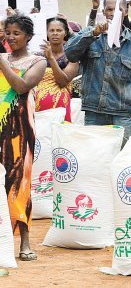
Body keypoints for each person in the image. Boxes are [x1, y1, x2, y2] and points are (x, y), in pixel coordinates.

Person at [65, 0, 131, 143]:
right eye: (109, 9)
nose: (113, 13)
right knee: (95, 159)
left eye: (118, 9)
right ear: (103, 12)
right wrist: (93, 33)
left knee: (120, 160)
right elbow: (70, 54)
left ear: (126, 11)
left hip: (122, 115)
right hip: (94, 113)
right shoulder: (91, 34)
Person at [0, 15, 46, 261]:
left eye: (16, 33)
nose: (11, 37)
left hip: (20, 132)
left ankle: (25, 241)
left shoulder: (37, 62)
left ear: (28, 36)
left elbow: (20, 87)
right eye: (8, 32)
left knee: (19, 181)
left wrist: (2, 63)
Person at [34, 17, 80, 122]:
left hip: (61, 108)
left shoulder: (72, 57)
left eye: (59, 30)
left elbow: (62, 82)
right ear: (46, 33)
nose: (55, 33)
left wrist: (50, 58)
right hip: (38, 109)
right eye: (51, 30)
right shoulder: (37, 56)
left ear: (65, 33)